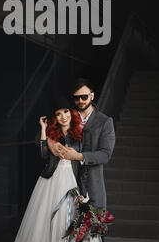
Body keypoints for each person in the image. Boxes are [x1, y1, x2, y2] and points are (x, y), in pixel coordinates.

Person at [13, 96, 103, 242]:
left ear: (71, 112)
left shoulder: (80, 135)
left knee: (74, 218)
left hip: (72, 180)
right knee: (45, 219)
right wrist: (43, 130)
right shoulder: (52, 135)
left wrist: (84, 192)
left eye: (66, 111)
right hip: (51, 180)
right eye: (58, 114)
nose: (63, 116)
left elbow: (83, 166)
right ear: (54, 117)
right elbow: (44, 156)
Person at [47, 78, 115, 211]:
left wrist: (78, 156)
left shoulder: (105, 121)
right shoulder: (66, 114)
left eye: (84, 97)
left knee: (90, 229)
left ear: (92, 96)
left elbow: (105, 155)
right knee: (60, 229)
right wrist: (50, 141)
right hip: (63, 184)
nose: (81, 101)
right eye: (77, 98)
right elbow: (42, 132)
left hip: (92, 187)